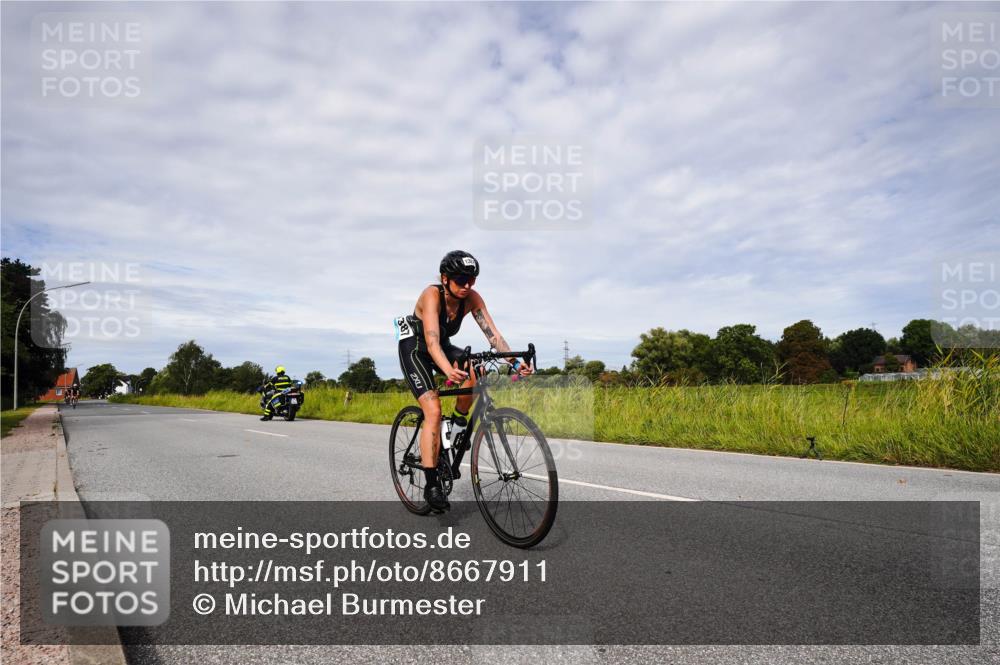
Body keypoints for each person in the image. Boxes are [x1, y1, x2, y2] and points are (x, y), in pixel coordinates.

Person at [396, 250, 532, 512]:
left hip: (442, 346)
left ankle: (459, 426)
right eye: (461, 280)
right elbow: (432, 343)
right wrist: (448, 370)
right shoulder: (431, 295)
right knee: (433, 410)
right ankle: (431, 485)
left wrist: (515, 363)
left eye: (472, 280)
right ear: (445, 278)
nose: (467, 285)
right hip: (416, 348)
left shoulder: (472, 298)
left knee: (475, 368)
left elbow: (494, 336)